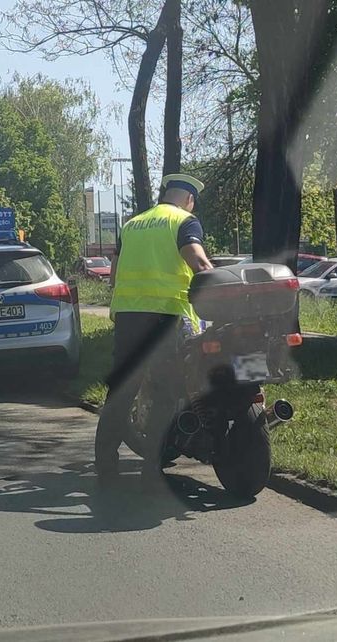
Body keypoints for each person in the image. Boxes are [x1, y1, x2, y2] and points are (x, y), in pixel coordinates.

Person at [95, 173, 214, 489]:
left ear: (166, 194)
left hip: (128, 317)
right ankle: (152, 466)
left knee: (121, 393)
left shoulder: (132, 225)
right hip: (165, 317)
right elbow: (199, 264)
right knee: (165, 391)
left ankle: (105, 465)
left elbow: (114, 276)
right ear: (189, 200)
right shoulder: (184, 222)